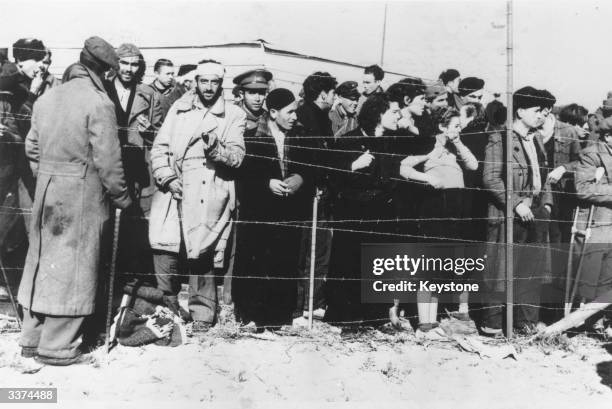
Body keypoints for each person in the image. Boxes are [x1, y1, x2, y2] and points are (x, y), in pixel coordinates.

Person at [17, 37, 132, 366]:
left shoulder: (47, 98)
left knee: (41, 264)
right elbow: (108, 161)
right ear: (106, 73)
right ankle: (59, 348)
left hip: (47, 191)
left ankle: (31, 340)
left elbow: (31, 149)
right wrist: (122, 197)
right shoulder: (99, 103)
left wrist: (49, 177)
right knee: (73, 269)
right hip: (82, 195)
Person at [149, 59, 246, 332]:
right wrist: (167, 177)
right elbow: (160, 148)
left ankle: (202, 313)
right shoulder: (179, 110)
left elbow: (237, 157)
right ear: (195, 82)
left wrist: (216, 148)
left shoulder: (233, 115)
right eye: (204, 81)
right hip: (175, 187)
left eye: (215, 82)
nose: (209, 88)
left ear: (221, 84)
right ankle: (167, 310)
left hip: (210, 188)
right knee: (166, 247)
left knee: (202, 250)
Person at [233, 88, 310, 329]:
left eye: (295, 112)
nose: (294, 117)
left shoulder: (300, 135)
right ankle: (251, 316)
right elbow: (242, 174)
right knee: (256, 262)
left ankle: (279, 318)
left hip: (289, 212)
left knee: (285, 262)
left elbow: (312, 166)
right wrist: (266, 183)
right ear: (274, 112)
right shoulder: (253, 135)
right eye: (290, 112)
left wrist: (301, 179)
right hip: (259, 211)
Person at [400, 107, 478, 339]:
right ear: (442, 126)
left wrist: (459, 142)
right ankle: (425, 326)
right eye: (455, 125)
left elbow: (473, 165)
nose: (459, 129)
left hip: (457, 207)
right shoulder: (429, 144)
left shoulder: (456, 147)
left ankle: (434, 324)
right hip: (436, 206)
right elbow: (404, 167)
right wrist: (428, 178)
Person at [325, 92, 402, 327]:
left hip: (381, 214)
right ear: (379, 115)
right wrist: (353, 166)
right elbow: (332, 178)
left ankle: (374, 317)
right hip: (353, 214)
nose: (399, 116)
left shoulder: (390, 142)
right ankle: (345, 317)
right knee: (349, 264)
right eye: (394, 112)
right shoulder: (349, 140)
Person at [482, 86, 553, 336]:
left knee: (531, 270)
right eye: (538, 111)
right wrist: (515, 204)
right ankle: (493, 324)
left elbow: (544, 177)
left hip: (536, 212)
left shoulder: (537, 139)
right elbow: (491, 179)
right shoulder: (499, 137)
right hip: (508, 213)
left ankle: (526, 323)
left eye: (546, 112)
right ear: (520, 110)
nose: (542, 116)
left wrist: (546, 204)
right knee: (502, 268)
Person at [104, 43, 163, 281]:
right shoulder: (103, 89)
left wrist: (150, 132)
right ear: (116, 64)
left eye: (134, 64)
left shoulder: (149, 95)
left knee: (131, 225)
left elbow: (162, 137)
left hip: (135, 167)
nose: (129, 69)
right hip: (107, 163)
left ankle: (126, 281)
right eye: (124, 63)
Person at [294, 71, 337, 324]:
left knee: (320, 250)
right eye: (332, 93)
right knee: (307, 251)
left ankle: (314, 301)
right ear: (323, 94)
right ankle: (302, 305)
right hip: (309, 195)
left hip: (323, 194)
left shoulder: (323, 118)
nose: (334, 98)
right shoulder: (305, 117)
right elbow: (309, 158)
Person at [574, 129, 612, 308]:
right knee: (590, 274)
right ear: (608, 136)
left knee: (608, 274)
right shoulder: (591, 154)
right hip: (598, 221)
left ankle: (601, 316)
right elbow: (583, 189)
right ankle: (581, 316)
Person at [233, 69, 273, 136]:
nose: (257, 99)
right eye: (252, 93)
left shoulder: (268, 118)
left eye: (261, 93)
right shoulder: (232, 116)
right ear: (241, 94)